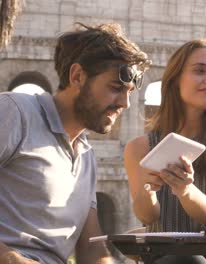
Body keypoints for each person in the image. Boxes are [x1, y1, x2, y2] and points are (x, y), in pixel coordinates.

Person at [0, 23, 150, 264]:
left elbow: (92, 249)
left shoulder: (86, 156)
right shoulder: (14, 112)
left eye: (129, 92)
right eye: (115, 88)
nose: (125, 103)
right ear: (77, 76)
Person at [124, 38, 206, 264]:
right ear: (175, 81)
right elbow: (147, 216)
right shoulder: (139, 147)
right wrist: (148, 189)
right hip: (166, 258)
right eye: (199, 71)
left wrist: (184, 189)